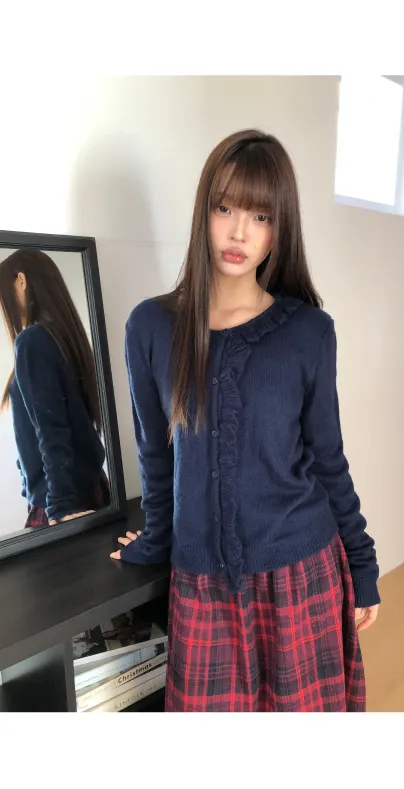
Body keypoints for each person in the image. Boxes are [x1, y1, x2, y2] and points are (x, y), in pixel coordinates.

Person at [119, 128, 378, 711]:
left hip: (301, 575)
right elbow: (157, 458)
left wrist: (362, 565)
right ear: (203, 212)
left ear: (279, 229)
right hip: (201, 584)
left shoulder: (309, 332)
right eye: (225, 208)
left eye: (260, 216)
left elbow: (328, 459)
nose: (240, 232)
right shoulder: (151, 327)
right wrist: (154, 538)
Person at [0, 247, 111, 530]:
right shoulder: (65, 338)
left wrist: (59, 506)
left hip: (61, 499)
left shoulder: (32, 341)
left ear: (21, 281)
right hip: (88, 486)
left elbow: (51, 430)